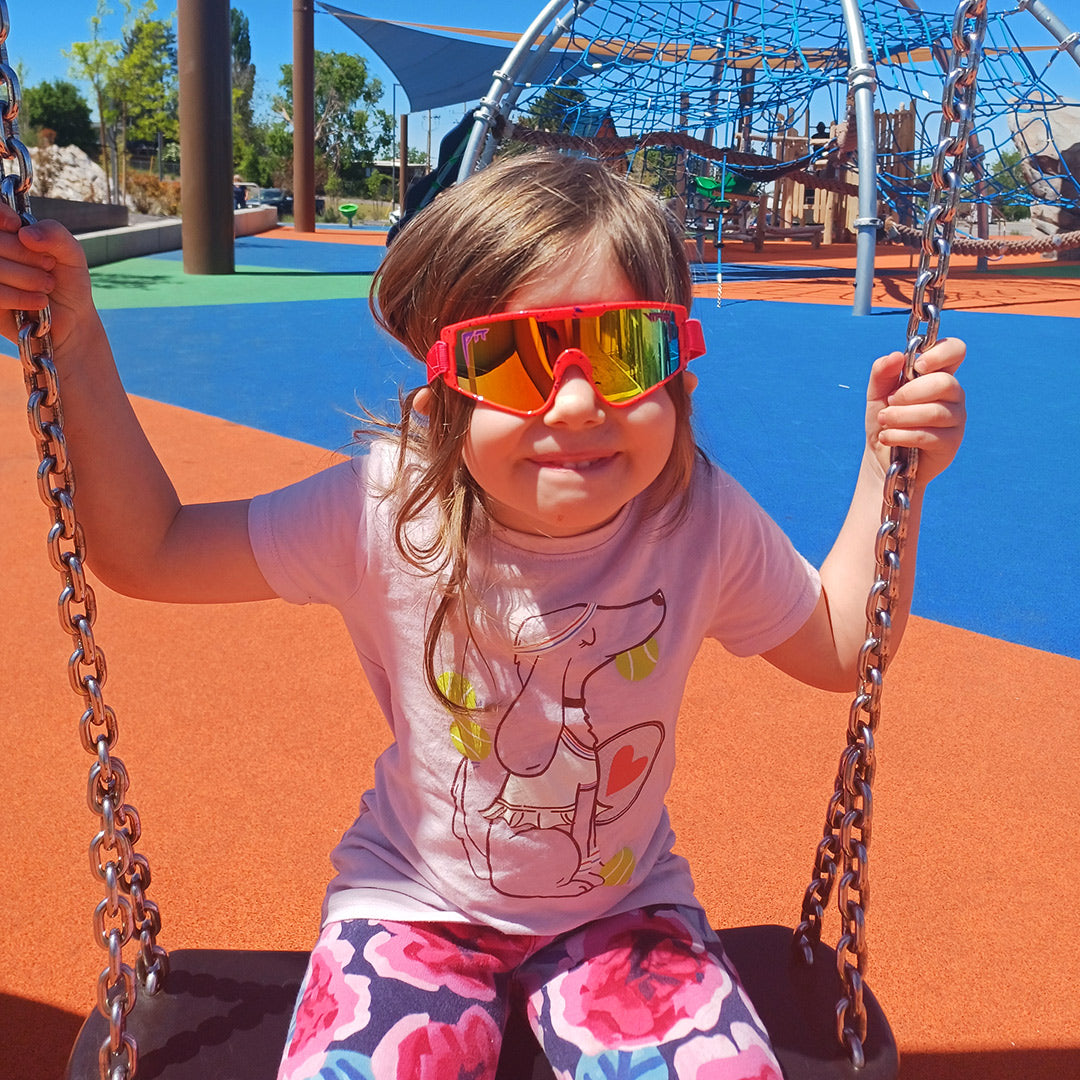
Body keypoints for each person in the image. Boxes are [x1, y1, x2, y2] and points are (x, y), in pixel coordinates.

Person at [0, 151, 965, 1079]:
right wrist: (75, 346)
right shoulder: (389, 509)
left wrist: (891, 470)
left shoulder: (696, 517)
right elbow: (154, 549)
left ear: (679, 377)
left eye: (625, 349)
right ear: (441, 400)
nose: (579, 400)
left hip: (622, 908)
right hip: (412, 905)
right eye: (515, 358)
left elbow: (843, 642)